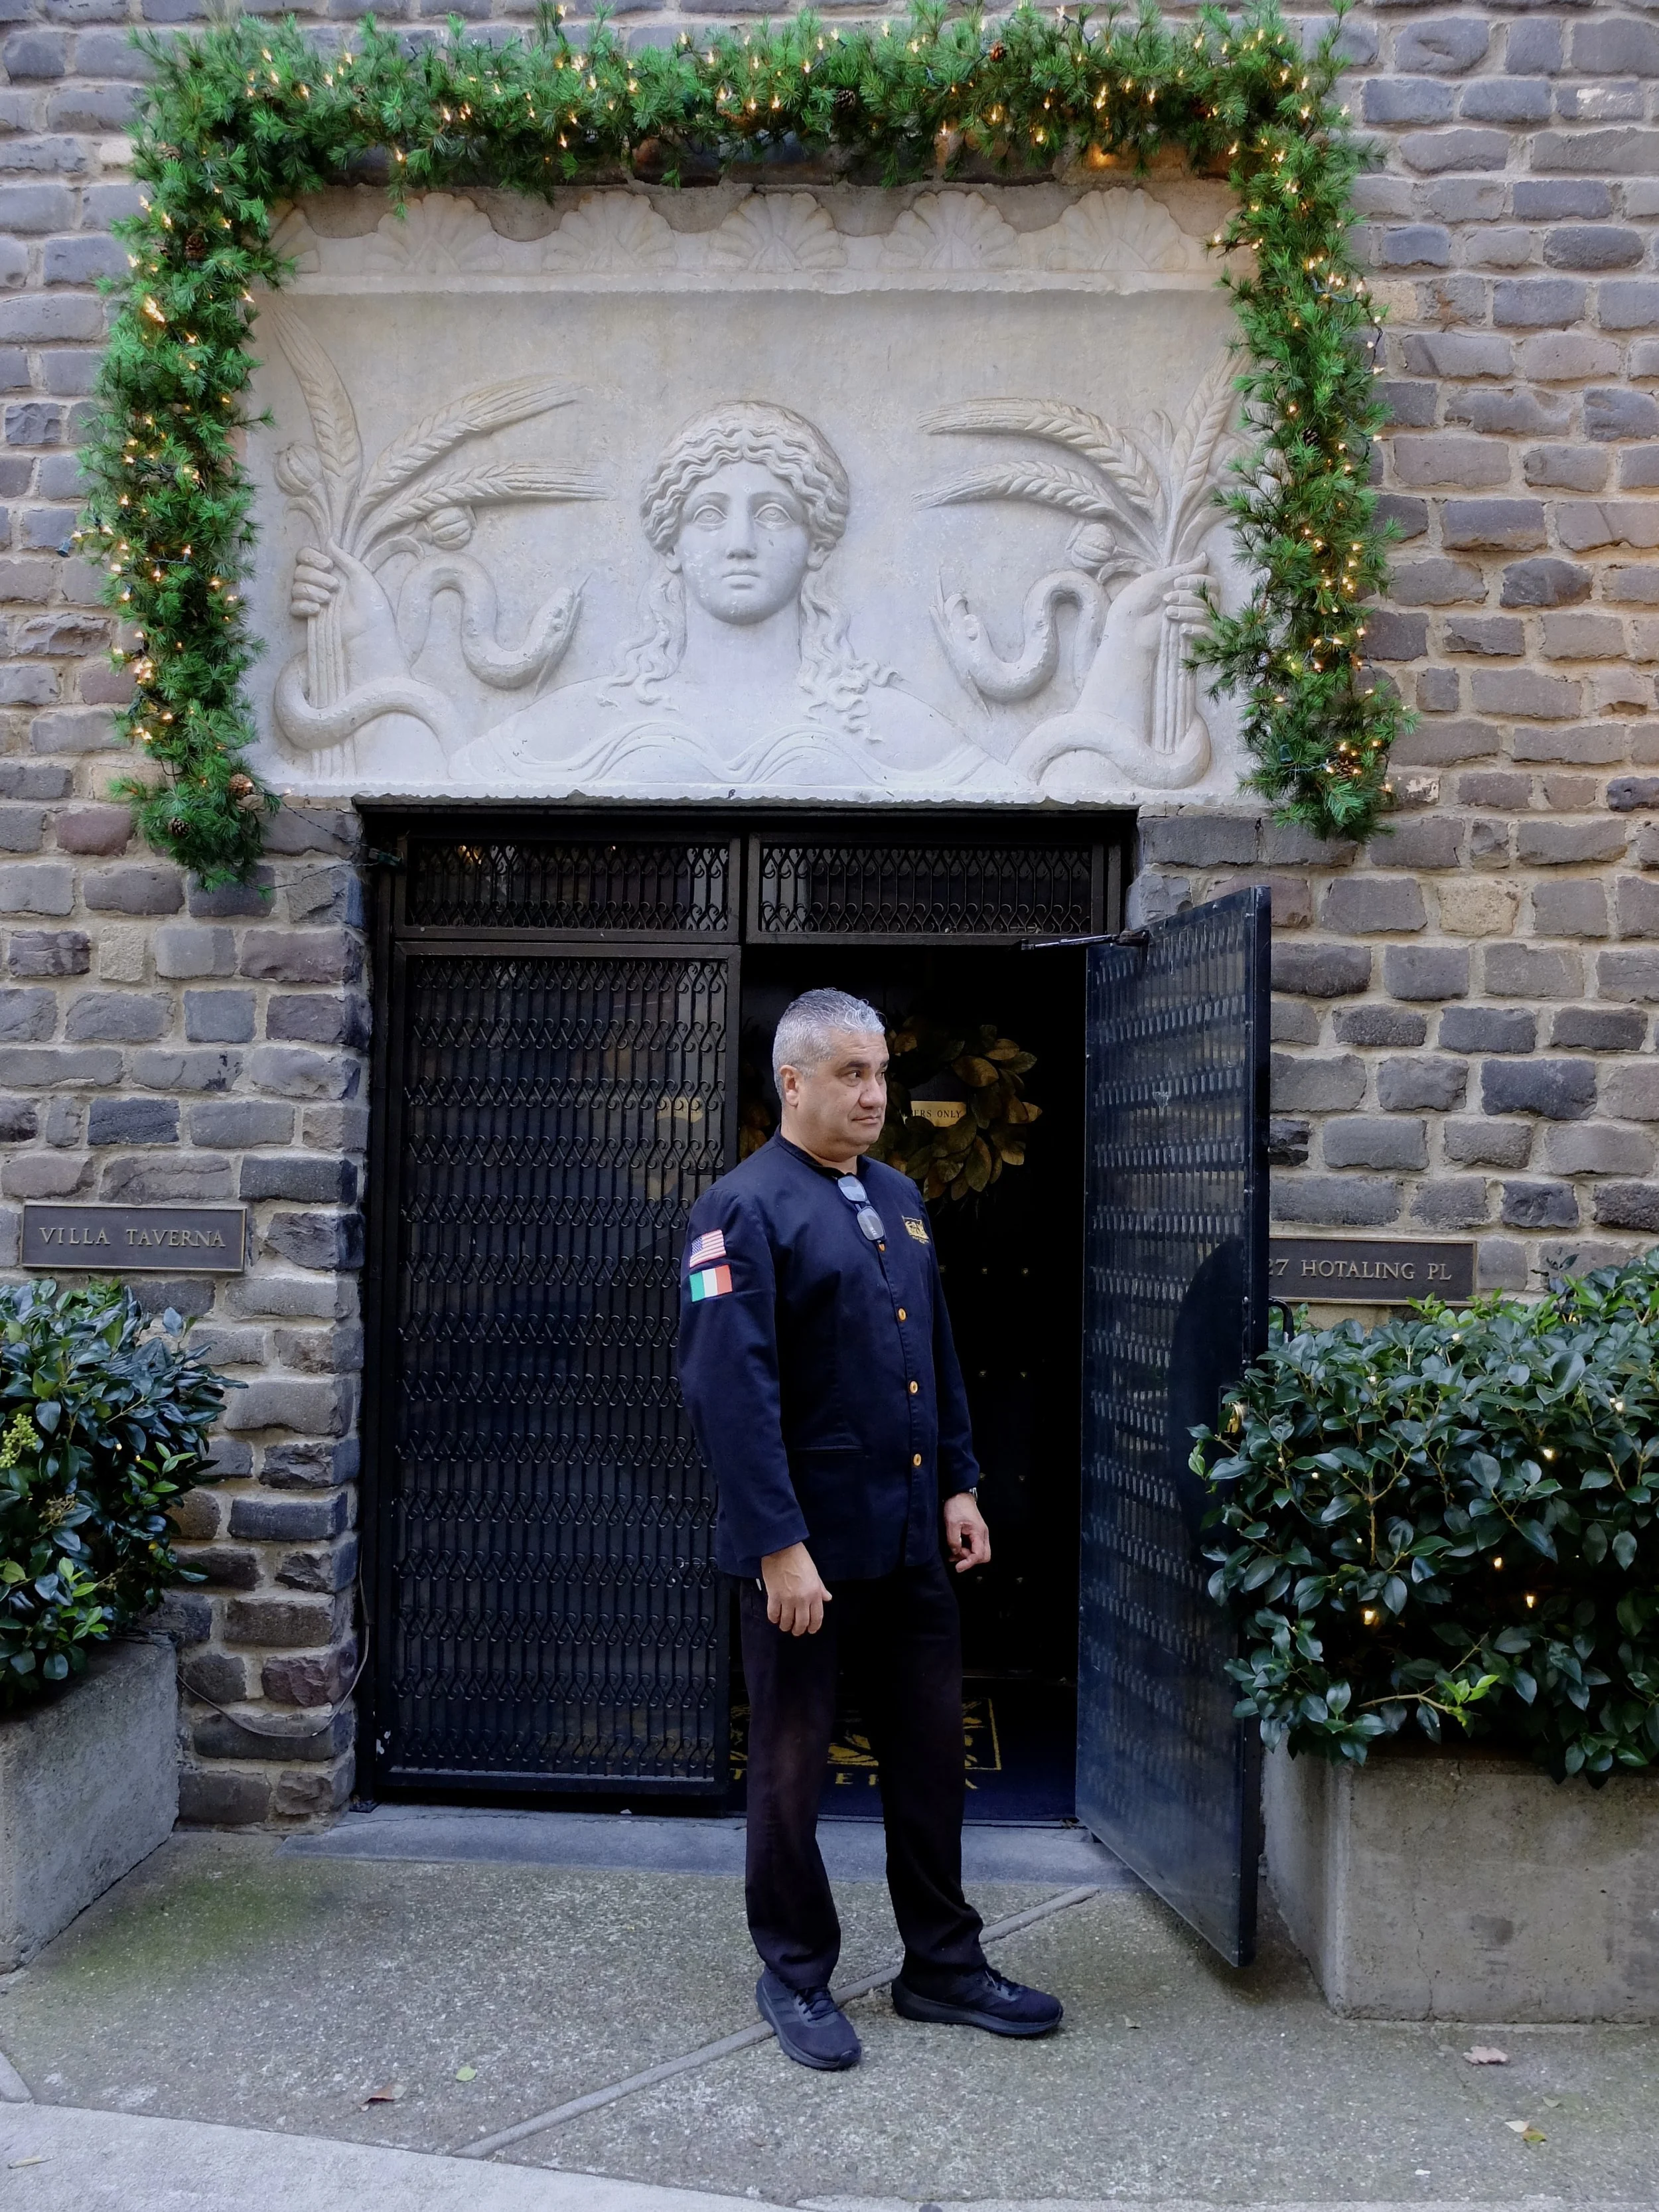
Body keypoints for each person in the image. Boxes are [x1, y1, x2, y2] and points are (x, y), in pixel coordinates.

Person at [676, 988, 1062, 2071]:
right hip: (808, 1555)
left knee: (933, 1760)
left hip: (909, 1541)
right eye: (851, 1073)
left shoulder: (896, 1193)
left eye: (881, 1071)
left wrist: (961, 1483)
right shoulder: (739, 1210)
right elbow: (727, 1389)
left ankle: (942, 1964)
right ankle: (794, 1971)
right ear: (791, 1081)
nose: (875, 1093)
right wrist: (777, 1545)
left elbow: (931, 1347)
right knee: (790, 1773)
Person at [455, 400, 1012, 795]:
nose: (741, 544)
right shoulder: (580, 720)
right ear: (670, 543)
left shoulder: (895, 726)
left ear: (816, 543)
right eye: (709, 514)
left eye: (773, 514)